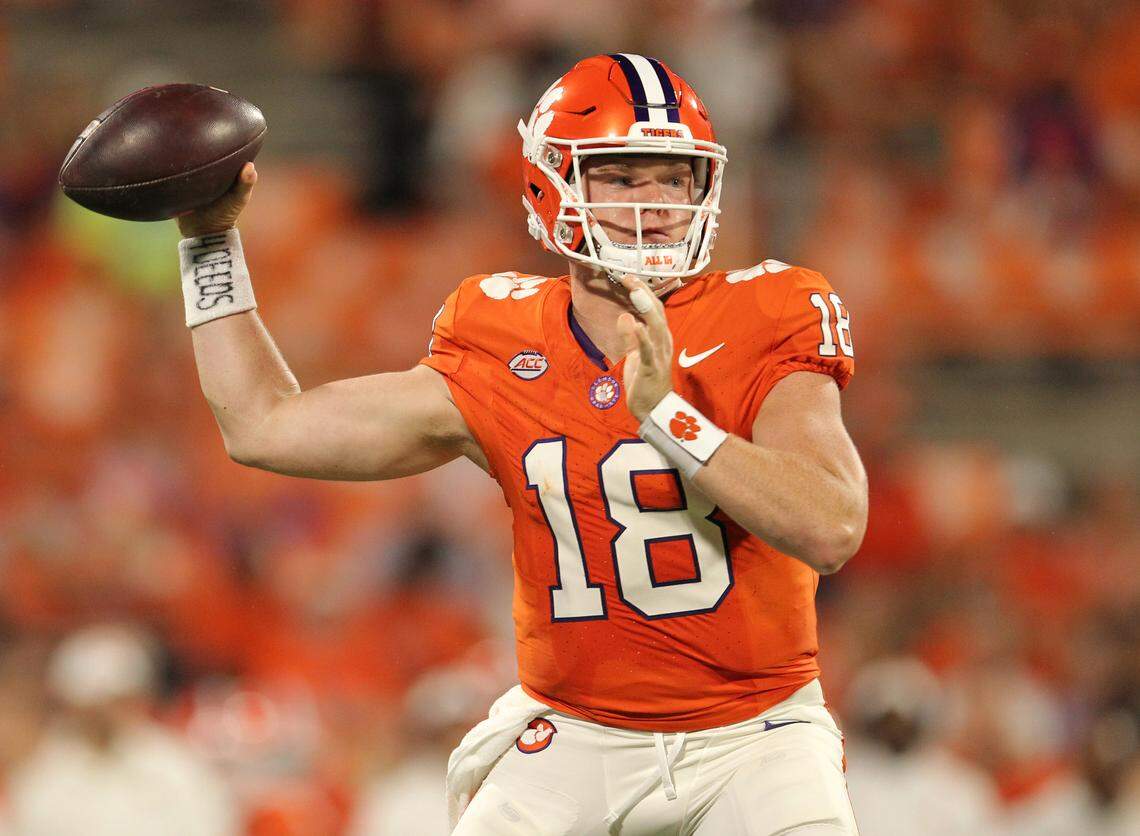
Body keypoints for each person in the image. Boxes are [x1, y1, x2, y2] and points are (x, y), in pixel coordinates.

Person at [176, 53, 867, 835]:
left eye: (675, 177)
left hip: (757, 734)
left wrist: (670, 416)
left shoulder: (769, 311)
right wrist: (208, 245)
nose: (658, 203)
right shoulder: (500, 337)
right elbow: (263, 425)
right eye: (623, 176)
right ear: (552, 185)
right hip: (575, 735)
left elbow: (832, 525)